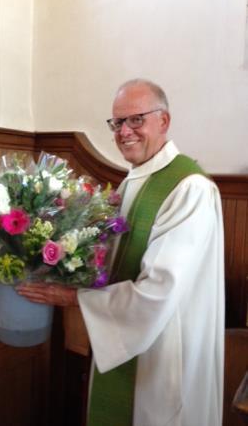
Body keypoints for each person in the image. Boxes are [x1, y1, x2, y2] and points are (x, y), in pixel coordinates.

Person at [16, 79, 225, 426]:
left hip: (163, 351)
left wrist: (75, 298)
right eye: (117, 122)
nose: (125, 131)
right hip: (126, 338)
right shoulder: (133, 181)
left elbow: (160, 288)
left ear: (164, 121)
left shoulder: (190, 188)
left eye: (136, 119)